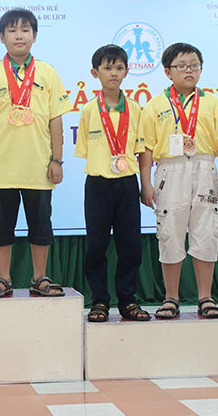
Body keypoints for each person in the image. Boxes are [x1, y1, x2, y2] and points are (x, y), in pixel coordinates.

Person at [0, 8, 71, 298]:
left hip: (39, 166)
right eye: (12, 30)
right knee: (1, 226)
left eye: (25, 30)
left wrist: (56, 159)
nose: (19, 36)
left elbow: (56, 120)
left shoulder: (47, 72)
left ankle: (39, 277)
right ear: (1, 37)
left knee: (41, 225)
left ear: (34, 36)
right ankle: (3, 278)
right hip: (2, 167)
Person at [139, 43, 218, 320]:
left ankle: (205, 297)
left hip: (204, 168)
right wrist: (146, 183)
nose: (189, 71)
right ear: (167, 72)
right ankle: (170, 298)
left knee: (207, 233)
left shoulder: (212, 102)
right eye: (182, 66)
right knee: (170, 233)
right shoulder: (155, 105)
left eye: (194, 65)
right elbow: (145, 148)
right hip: (169, 171)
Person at [75, 44, 150, 322]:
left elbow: (142, 151)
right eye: (107, 68)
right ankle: (99, 301)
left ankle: (128, 300)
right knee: (96, 245)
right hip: (97, 184)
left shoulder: (136, 109)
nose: (114, 73)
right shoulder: (88, 110)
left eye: (119, 68)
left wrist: (145, 185)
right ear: (95, 73)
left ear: (127, 72)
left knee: (130, 245)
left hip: (127, 184)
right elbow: (85, 149)